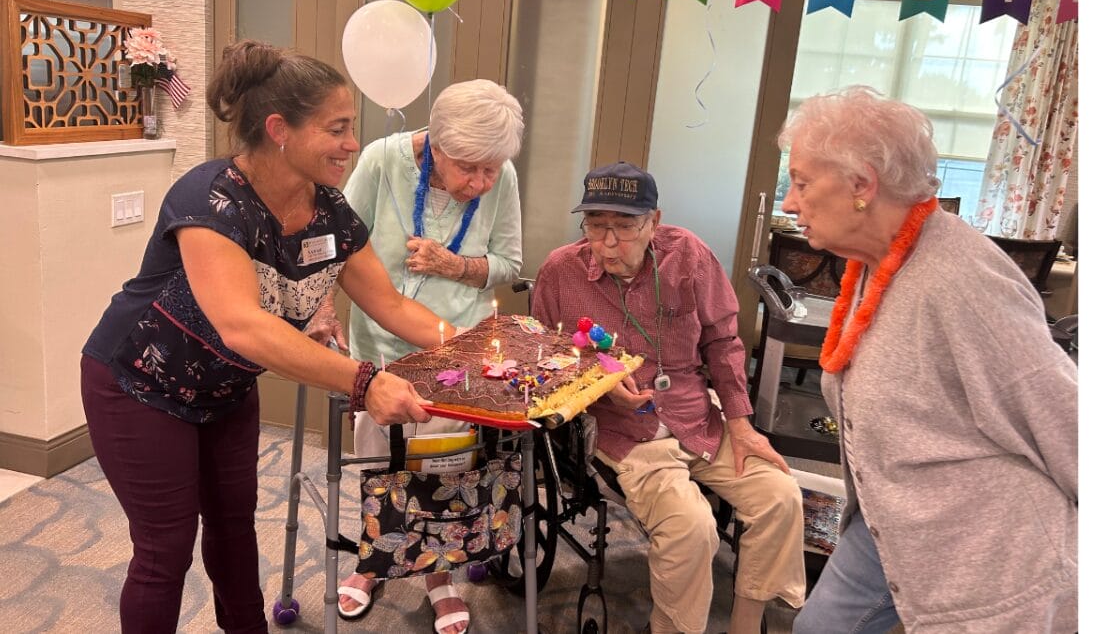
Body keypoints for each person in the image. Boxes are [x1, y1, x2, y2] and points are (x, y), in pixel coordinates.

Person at [80, 40, 455, 634]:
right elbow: (243, 325)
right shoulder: (210, 200)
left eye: (351, 127)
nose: (352, 144)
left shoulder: (330, 212)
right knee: (166, 549)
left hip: (224, 390)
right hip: (136, 385)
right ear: (280, 129)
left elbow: (390, 304)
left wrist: (481, 344)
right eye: (337, 128)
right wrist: (365, 381)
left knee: (234, 528)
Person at [780, 86, 1078, 633]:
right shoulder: (873, 263)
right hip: (888, 517)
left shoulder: (963, 279)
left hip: (984, 545)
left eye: (801, 183)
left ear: (862, 184)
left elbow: (1067, 419)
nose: (789, 203)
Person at [531, 162, 806, 634]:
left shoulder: (689, 256)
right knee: (691, 525)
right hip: (625, 432)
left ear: (654, 222)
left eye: (624, 226)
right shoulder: (561, 271)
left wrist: (741, 424)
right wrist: (597, 388)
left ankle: (746, 623)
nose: (608, 243)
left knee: (781, 496)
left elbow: (722, 341)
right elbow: (545, 360)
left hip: (696, 417)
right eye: (596, 226)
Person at [330, 79, 524, 633]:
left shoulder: (498, 174)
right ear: (435, 143)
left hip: (455, 345)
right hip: (379, 343)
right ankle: (374, 561)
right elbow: (337, 242)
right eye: (470, 168)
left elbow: (509, 261)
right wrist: (321, 309)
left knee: (448, 462)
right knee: (379, 459)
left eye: (491, 170)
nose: (481, 182)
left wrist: (455, 266)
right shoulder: (382, 160)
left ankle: (440, 573)